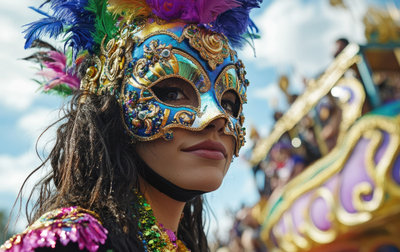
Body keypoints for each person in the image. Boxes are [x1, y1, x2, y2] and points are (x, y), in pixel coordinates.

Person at [1, 0, 261, 251]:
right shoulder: (65, 244)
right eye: (171, 93)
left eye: (229, 103)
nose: (218, 117)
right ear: (112, 111)